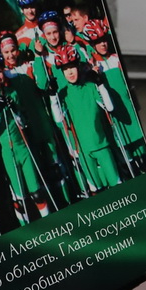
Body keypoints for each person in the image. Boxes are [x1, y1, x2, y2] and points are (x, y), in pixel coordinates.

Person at [0, 51, 66, 222]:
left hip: (23, 146)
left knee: (36, 192)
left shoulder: (12, 91)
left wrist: (15, 110)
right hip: (7, 150)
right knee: (20, 198)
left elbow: (23, 122)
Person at [51, 48, 124, 194]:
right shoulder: (64, 93)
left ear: (78, 66)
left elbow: (109, 107)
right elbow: (59, 119)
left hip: (101, 144)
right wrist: (53, 96)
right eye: (65, 69)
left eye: (72, 67)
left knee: (117, 185)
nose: (70, 72)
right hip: (83, 150)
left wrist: (100, 84)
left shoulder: (91, 87)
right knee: (95, 189)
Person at [82, 21, 145, 170]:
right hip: (114, 119)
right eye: (98, 41)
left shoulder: (116, 58)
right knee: (129, 164)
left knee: (144, 158)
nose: (103, 44)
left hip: (129, 111)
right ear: (92, 44)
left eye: (104, 40)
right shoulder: (92, 66)